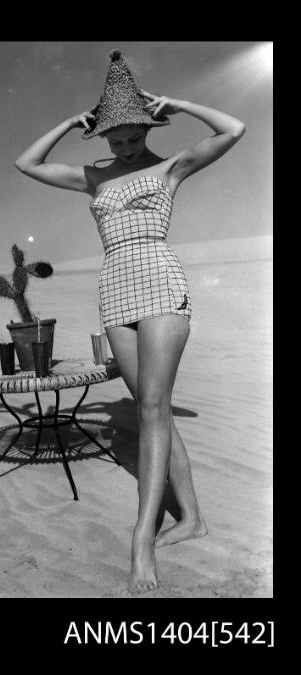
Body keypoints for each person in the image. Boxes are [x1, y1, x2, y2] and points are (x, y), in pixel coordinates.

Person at [14, 49, 245, 593]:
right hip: (114, 288)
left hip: (160, 280)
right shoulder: (93, 177)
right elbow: (26, 164)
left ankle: (141, 538)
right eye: (114, 140)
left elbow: (233, 128)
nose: (124, 147)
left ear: (147, 126)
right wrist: (71, 123)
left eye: (133, 137)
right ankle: (192, 518)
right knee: (151, 406)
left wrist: (178, 105)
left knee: (150, 407)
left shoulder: (170, 167)